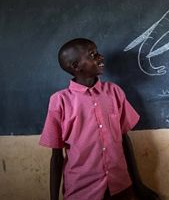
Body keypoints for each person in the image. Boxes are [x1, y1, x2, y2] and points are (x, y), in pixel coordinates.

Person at [39, 38, 141, 200]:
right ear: (75, 66)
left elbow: (123, 139)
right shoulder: (60, 101)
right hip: (82, 190)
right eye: (93, 55)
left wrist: (138, 184)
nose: (101, 57)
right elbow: (57, 156)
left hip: (121, 186)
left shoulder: (114, 92)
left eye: (97, 52)